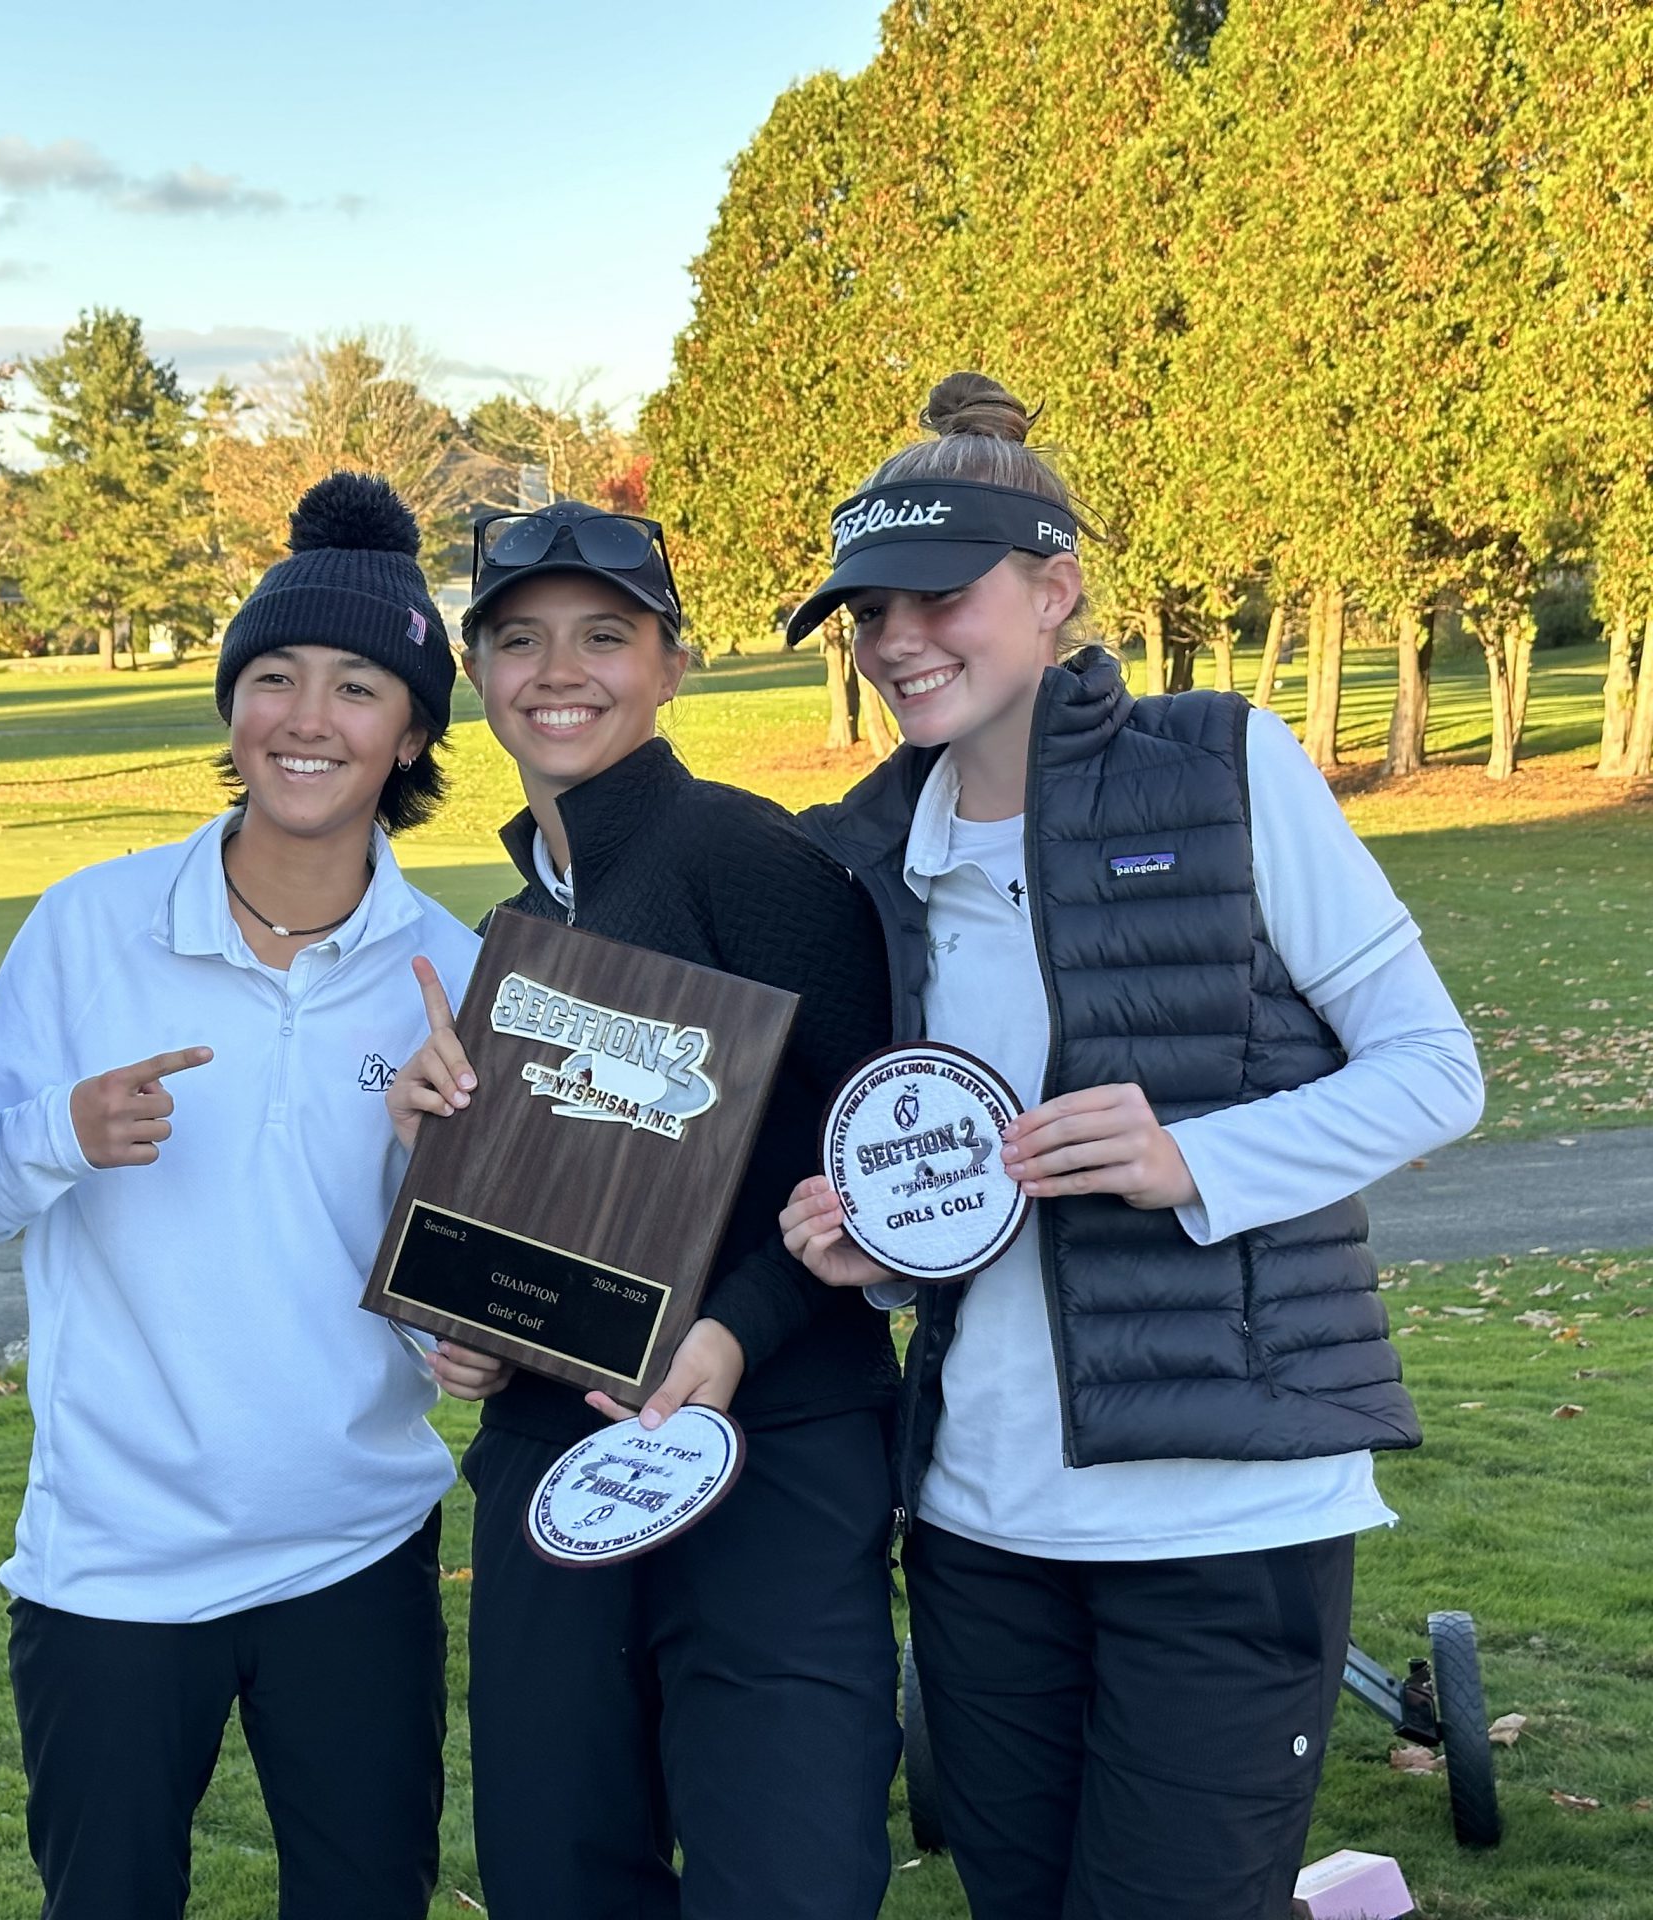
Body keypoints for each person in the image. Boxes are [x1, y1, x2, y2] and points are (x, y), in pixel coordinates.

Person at [778, 373, 1486, 1920]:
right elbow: (940, 1210)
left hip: (1228, 1523)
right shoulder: (862, 862)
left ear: (1056, 591)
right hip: (976, 1529)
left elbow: (1437, 1072)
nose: (898, 641)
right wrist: (870, 1249)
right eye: (868, 612)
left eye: (940, 597)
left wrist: (1196, 1161)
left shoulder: (1226, 767)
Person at [0, 473, 482, 1920]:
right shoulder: (89, 926)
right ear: (231, 708)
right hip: (113, 1558)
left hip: (356, 1543)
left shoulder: (457, 967)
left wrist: (425, 1169)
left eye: (358, 687)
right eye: (273, 678)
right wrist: (64, 1130)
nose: (307, 718)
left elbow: (464, 1293)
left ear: (414, 732)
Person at [386, 500, 901, 1919]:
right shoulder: (512, 933)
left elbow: (884, 1171)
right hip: (560, 1460)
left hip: (777, 1453)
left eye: (606, 635)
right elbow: (545, 1219)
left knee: (782, 1880)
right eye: (522, 639)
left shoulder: (752, 860)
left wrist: (738, 1329)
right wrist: (474, 1326)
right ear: (479, 676)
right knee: (561, 1874)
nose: (562, 669)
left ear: (672, 664)